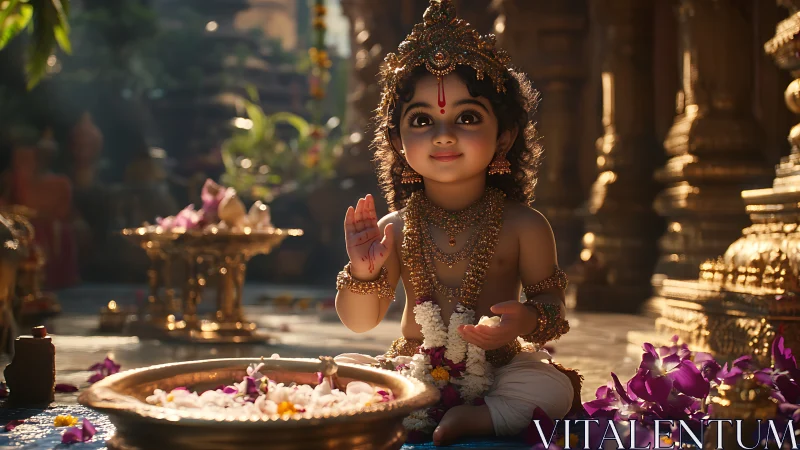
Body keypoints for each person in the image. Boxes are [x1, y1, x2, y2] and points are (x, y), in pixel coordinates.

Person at [334, 0, 581, 446]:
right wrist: (363, 272)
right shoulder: (395, 226)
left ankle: (478, 418)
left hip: (498, 368)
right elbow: (360, 322)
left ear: (504, 136)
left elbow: (552, 312)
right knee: (340, 373)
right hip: (413, 366)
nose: (443, 134)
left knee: (551, 388)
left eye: (466, 117)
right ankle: (419, 409)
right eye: (422, 120)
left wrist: (523, 320)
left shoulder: (524, 225)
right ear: (398, 140)